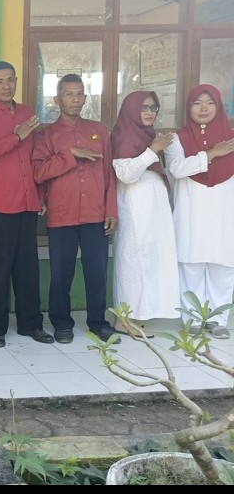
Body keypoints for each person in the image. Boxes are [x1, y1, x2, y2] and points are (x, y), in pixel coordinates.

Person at [0, 61, 54, 348]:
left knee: (28, 268)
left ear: (16, 81)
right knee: (0, 269)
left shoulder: (28, 113)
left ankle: (31, 324)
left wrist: (40, 194)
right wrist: (15, 136)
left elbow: (36, 157)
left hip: (28, 203)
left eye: (10, 80)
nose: (6, 86)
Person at [31, 73, 119, 343]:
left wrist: (111, 210)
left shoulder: (99, 130)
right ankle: (61, 323)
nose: (75, 99)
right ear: (57, 99)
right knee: (61, 273)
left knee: (97, 271)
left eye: (80, 94)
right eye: (69, 94)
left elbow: (108, 173)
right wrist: (69, 155)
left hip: (95, 213)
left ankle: (98, 322)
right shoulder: (46, 135)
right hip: (62, 214)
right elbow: (38, 172)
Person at [164, 84, 234, 339]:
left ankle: (218, 319)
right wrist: (212, 153)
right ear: (188, 107)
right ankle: (192, 317)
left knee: (222, 266)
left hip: (224, 212)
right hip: (191, 212)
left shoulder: (231, 138)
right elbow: (177, 168)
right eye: (197, 103)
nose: (204, 108)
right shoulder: (177, 139)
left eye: (210, 103)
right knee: (190, 265)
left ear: (219, 106)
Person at [110, 90, 181, 338]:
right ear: (131, 109)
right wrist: (152, 150)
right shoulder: (124, 136)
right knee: (132, 261)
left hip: (151, 210)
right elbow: (126, 174)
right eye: (144, 107)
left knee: (148, 261)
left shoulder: (147, 135)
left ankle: (137, 316)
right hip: (134, 209)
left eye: (153, 107)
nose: (149, 112)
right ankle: (124, 318)